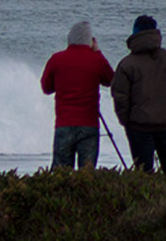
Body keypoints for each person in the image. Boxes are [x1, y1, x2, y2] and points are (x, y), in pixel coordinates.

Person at [111, 15, 166, 176]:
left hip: (138, 126)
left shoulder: (127, 64)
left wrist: (125, 120)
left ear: (135, 33)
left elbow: (120, 96)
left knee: (143, 175)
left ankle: (148, 201)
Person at [40, 21, 114, 169]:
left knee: (61, 173)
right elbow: (111, 79)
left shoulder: (57, 59)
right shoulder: (96, 59)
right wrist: (98, 52)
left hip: (64, 123)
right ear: (90, 41)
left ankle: (60, 192)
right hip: (89, 124)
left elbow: (46, 88)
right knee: (86, 173)